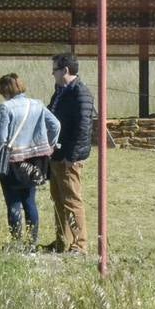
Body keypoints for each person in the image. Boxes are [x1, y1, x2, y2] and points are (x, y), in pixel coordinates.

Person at [0, 73, 61, 248]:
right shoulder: (37, 104)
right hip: (37, 160)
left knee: (13, 202)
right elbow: (56, 125)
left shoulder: (6, 108)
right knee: (29, 200)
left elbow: (1, 138)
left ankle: (16, 242)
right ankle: (32, 243)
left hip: (14, 161)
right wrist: (49, 145)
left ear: (5, 90)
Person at [44, 53, 94, 255]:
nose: (53, 74)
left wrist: (70, 157)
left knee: (72, 201)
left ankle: (79, 244)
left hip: (68, 158)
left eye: (54, 69)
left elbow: (83, 128)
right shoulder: (60, 92)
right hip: (55, 155)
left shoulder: (80, 93)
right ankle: (61, 241)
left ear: (65, 70)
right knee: (58, 200)